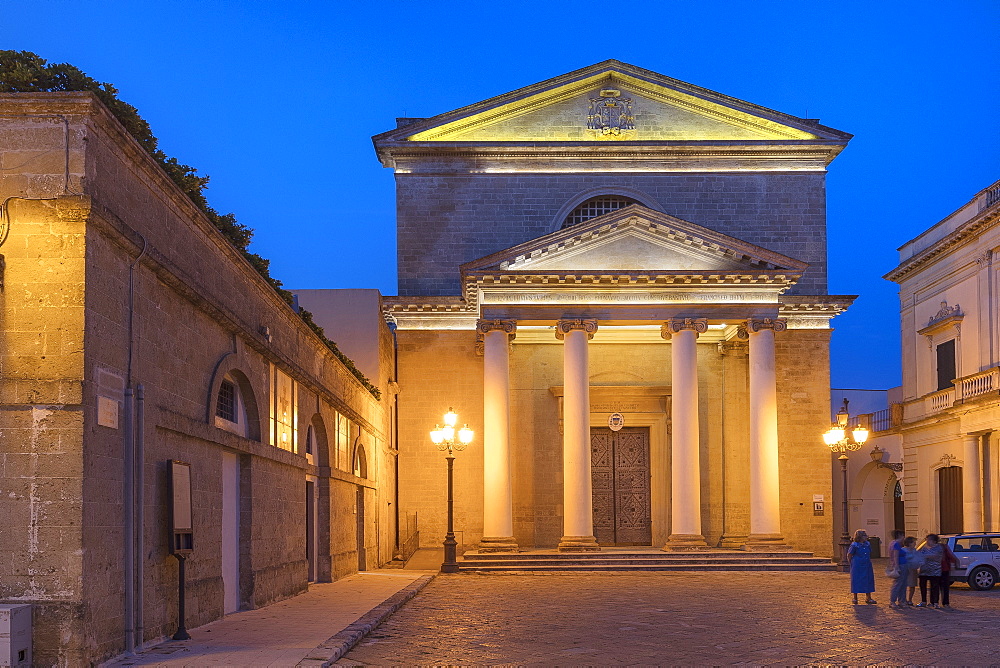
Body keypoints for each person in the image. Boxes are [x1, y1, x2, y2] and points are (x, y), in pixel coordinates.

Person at [848, 529, 876, 604]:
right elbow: (850, 555)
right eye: (864, 535)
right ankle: (855, 597)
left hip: (866, 564)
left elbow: (870, 552)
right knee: (856, 580)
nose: (866, 537)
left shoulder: (867, 544)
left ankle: (868, 597)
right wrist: (851, 563)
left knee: (868, 579)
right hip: (857, 564)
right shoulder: (854, 545)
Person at [917, 534, 945, 608]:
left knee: (934, 587)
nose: (926, 541)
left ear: (933, 541)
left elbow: (933, 556)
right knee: (923, 586)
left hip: (935, 571)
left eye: (928, 539)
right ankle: (923, 601)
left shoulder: (938, 548)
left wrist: (923, 555)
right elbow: (918, 553)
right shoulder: (924, 547)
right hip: (924, 570)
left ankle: (935, 602)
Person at [887, 529, 908, 608]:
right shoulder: (896, 544)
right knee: (898, 584)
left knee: (902, 584)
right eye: (903, 535)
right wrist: (896, 566)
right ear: (900, 535)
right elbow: (895, 556)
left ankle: (901, 601)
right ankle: (893, 601)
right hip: (901, 565)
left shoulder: (894, 543)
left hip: (902, 564)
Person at [939, 538, 960, 609]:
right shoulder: (943, 547)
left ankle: (936, 603)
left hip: (942, 568)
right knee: (943, 587)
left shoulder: (942, 547)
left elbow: (950, 556)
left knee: (939, 587)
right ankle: (944, 603)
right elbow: (951, 556)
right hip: (943, 569)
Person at [902, 536, 922, 605]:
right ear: (909, 543)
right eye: (913, 542)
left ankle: (910, 599)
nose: (915, 543)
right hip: (905, 569)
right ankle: (903, 599)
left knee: (912, 585)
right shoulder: (903, 550)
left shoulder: (915, 551)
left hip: (913, 569)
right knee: (903, 585)